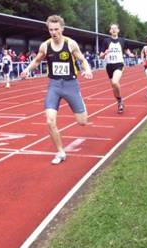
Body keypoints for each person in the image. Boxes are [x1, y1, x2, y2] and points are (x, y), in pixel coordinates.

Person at [20, 15, 93, 165]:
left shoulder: (70, 44)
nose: (54, 32)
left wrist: (88, 70)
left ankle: (82, 107)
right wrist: (27, 70)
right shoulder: (45, 46)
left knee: (82, 121)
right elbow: (37, 60)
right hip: (54, 85)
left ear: (62, 29)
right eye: (51, 30)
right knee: (50, 121)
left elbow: (82, 60)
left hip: (71, 85)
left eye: (56, 29)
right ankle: (60, 151)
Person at [99, 23, 134, 113]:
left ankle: (120, 101)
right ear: (110, 31)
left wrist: (129, 54)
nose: (114, 30)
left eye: (115, 28)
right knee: (114, 87)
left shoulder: (122, 40)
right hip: (109, 66)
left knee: (115, 82)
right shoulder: (106, 41)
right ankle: (119, 101)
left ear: (118, 30)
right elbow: (101, 56)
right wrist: (105, 53)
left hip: (119, 64)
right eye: (112, 28)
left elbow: (126, 49)